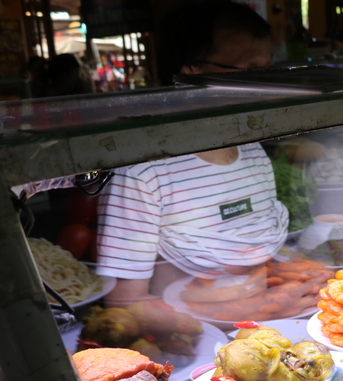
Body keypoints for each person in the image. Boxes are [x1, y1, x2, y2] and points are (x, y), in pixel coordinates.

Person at [96, 0, 287, 307]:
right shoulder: (142, 172)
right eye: (249, 70)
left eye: (268, 69)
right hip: (191, 344)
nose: (265, 84)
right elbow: (124, 304)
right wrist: (241, 312)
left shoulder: (251, 152)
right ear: (192, 72)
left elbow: (259, 264)